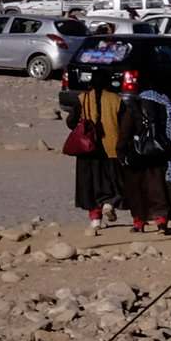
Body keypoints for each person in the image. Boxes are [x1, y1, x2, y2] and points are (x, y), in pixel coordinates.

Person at [117, 71, 171, 233]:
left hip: (138, 156)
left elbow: (125, 132)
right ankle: (161, 222)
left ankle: (139, 224)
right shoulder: (165, 105)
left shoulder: (134, 106)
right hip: (161, 155)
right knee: (160, 189)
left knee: (137, 191)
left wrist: (121, 152)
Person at [62, 79, 121, 231]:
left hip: (88, 149)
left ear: (90, 85)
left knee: (89, 185)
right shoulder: (116, 99)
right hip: (111, 148)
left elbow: (71, 122)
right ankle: (108, 204)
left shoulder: (82, 99)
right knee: (111, 181)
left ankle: (95, 220)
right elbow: (124, 123)